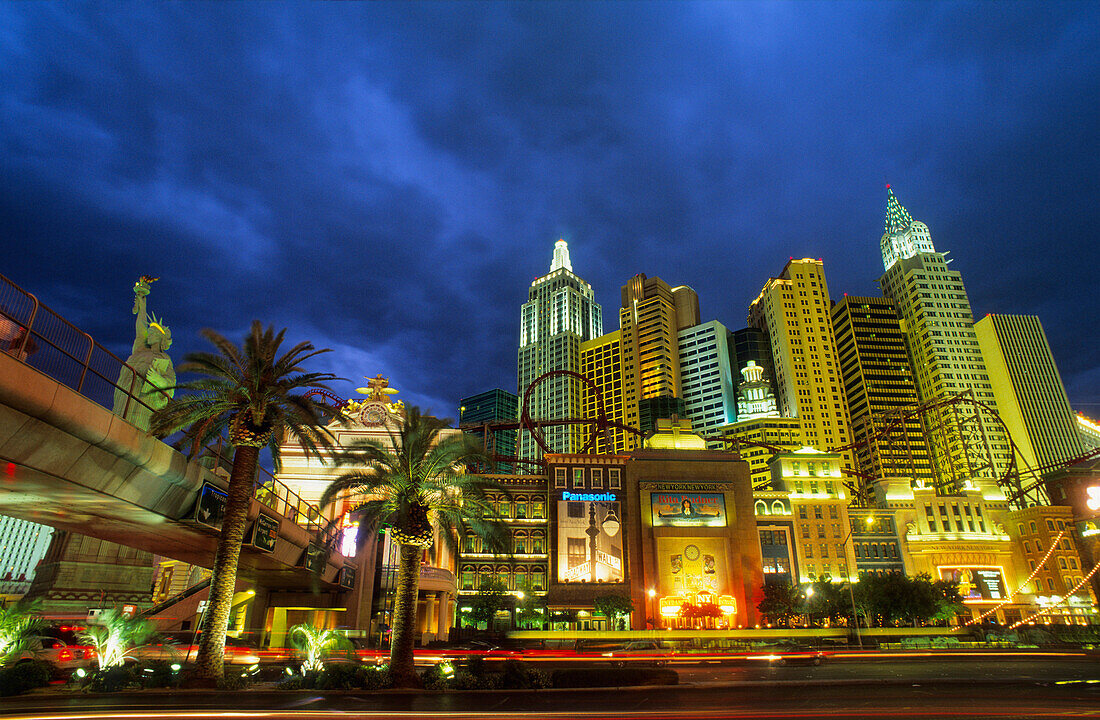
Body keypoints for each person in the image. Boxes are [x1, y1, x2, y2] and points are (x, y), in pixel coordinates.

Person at [112, 277, 175, 431]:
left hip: (144, 401)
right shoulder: (141, 349)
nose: (150, 333)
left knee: (135, 428)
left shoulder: (164, 359)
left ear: (161, 339)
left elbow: (171, 386)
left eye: (153, 332)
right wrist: (142, 302)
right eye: (150, 331)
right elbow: (140, 325)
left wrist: (159, 380)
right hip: (126, 391)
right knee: (118, 419)